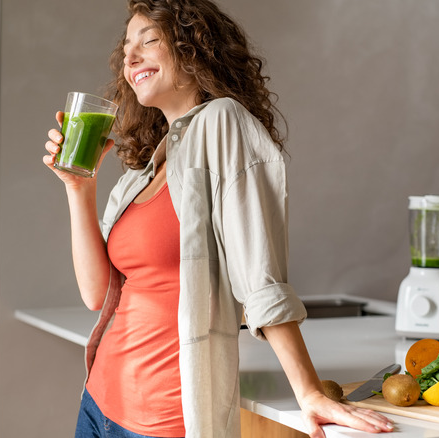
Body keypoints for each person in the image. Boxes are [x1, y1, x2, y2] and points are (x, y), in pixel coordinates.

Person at [43, 1, 395, 437]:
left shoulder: (224, 122)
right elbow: (97, 294)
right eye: (126, 45)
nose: (130, 57)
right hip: (97, 401)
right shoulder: (146, 168)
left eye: (149, 40)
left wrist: (309, 391)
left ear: (195, 49)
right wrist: (79, 188)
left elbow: (260, 274)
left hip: (162, 418)